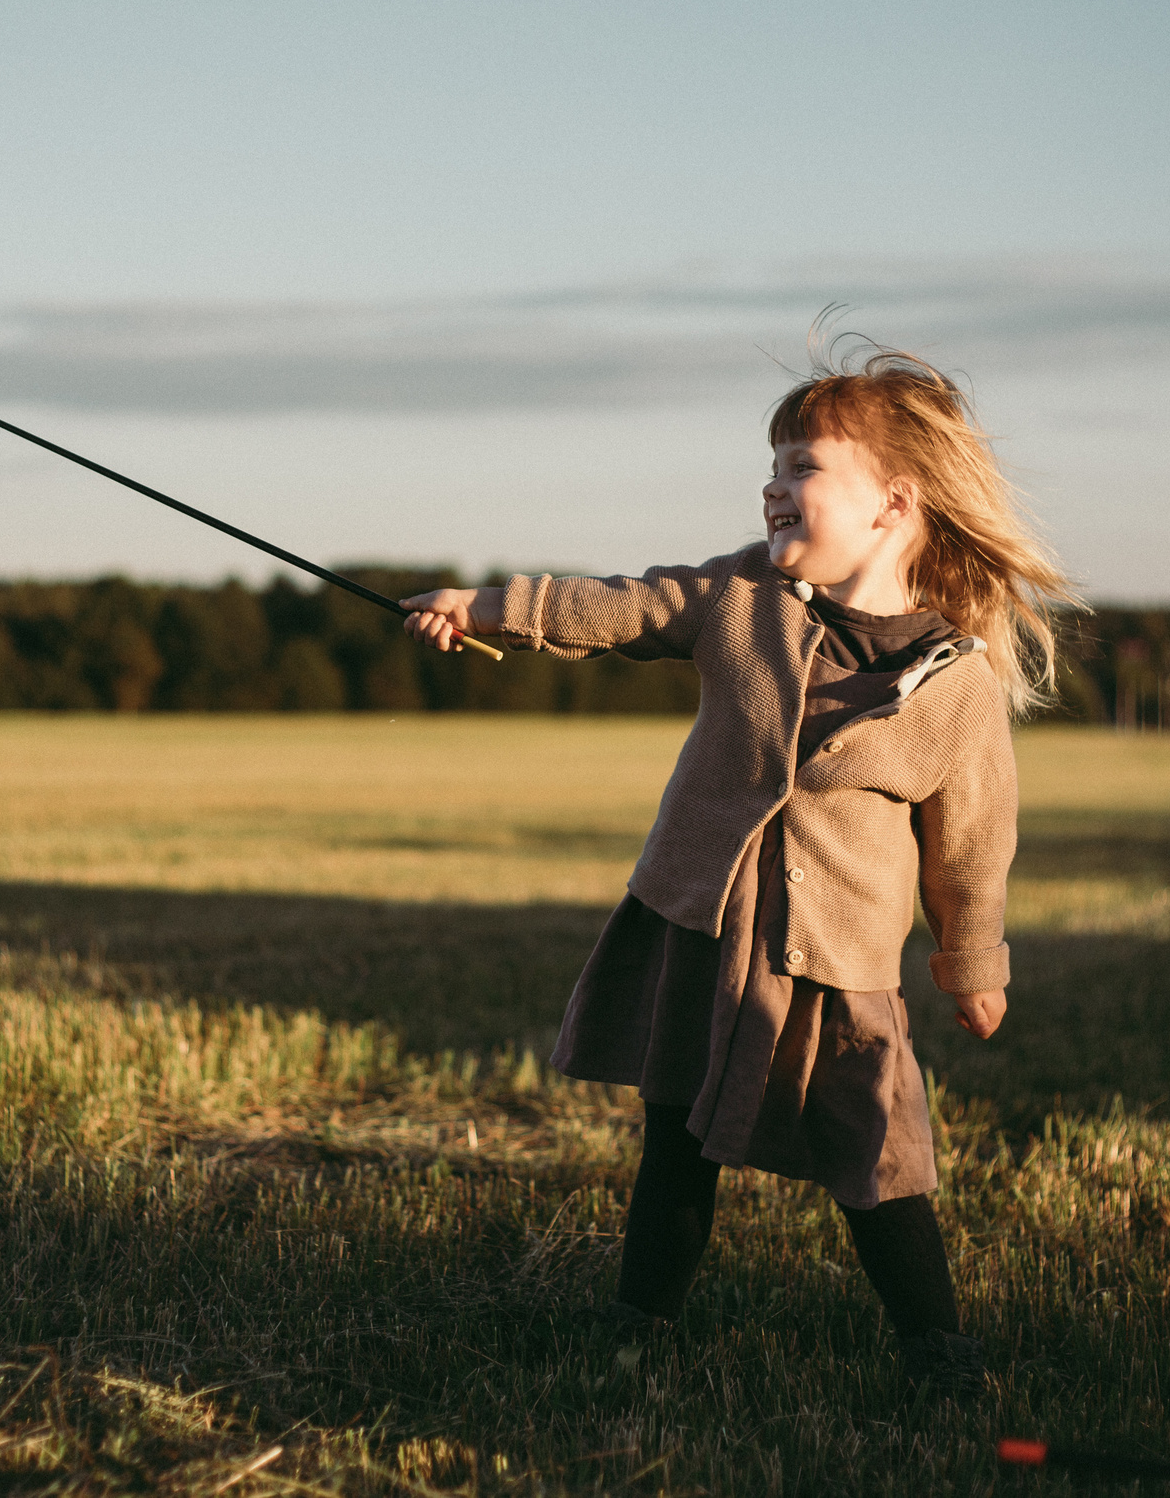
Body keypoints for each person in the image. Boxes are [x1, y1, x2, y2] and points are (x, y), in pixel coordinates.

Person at [400, 343, 1073, 1400]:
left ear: (893, 503)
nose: (773, 484)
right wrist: (485, 607)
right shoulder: (741, 598)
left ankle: (940, 1357)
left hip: (839, 964)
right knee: (675, 1143)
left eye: (803, 465)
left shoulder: (956, 685)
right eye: (772, 465)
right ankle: (634, 1333)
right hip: (705, 934)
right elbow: (618, 606)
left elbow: (971, 848)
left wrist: (971, 965)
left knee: (879, 1161)